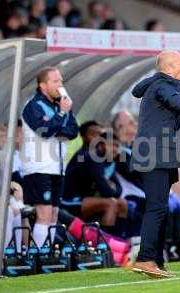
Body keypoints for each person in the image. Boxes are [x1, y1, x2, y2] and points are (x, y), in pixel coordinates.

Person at [130, 50, 180, 277]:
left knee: (161, 208)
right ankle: (145, 259)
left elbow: (158, 124)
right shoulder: (163, 86)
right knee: (156, 208)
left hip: (158, 153)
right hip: (153, 156)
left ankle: (155, 261)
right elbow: (176, 101)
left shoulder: (157, 84)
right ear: (167, 68)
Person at [20, 67, 79, 248]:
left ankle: (48, 251)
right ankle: (39, 253)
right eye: (56, 81)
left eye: (61, 81)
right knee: (44, 214)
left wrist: (60, 117)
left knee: (53, 214)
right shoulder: (33, 105)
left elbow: (72, 131)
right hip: (38, 168)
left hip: (56, 168)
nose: (60, 85)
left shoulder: (60, 105)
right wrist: (61, 115)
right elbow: (44, 131)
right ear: (43, 85)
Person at [63, 130, 128, 236]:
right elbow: (105, 190)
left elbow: (119, 191)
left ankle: (120, 239)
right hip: (70, 200)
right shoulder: (91, 157)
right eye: (112, 145)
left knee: (122, 203)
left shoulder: (108, 162)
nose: (116, 150)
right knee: (110, 203)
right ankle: (106, 244)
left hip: (87, 200)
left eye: (117, 146)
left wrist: (109, 186)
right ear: (101, 145)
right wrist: (109, 186)